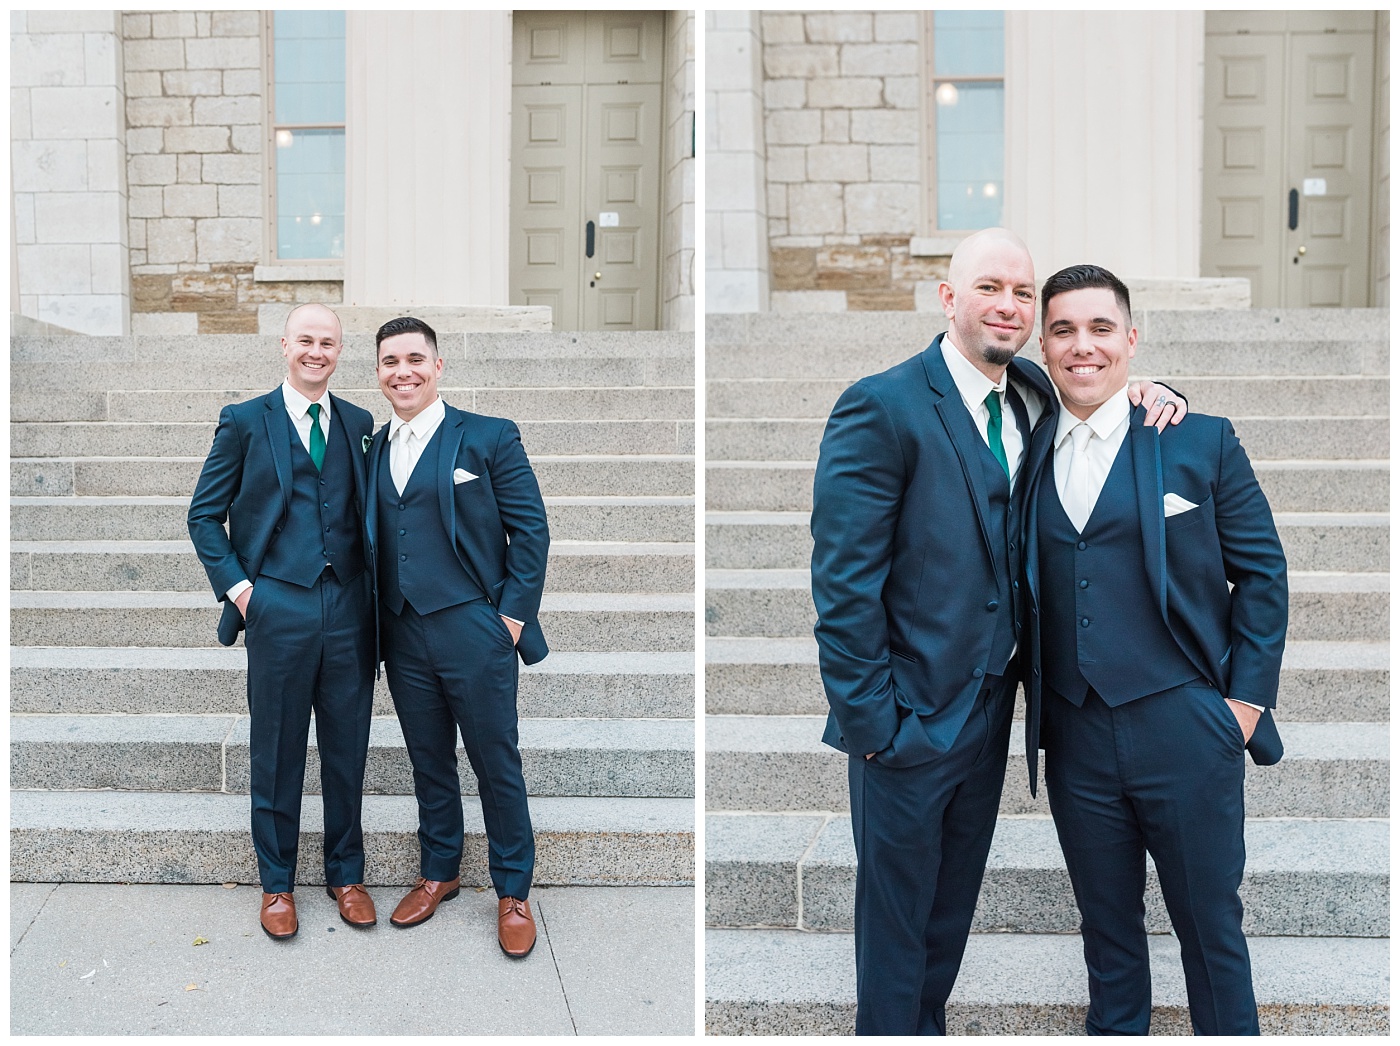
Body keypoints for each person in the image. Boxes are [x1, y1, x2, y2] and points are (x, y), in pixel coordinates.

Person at [809, 228, 1187, 1034]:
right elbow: (842, 587)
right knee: (896, 929)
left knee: (947, 921)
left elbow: (1101, 396)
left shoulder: (1032, 397)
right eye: (990, 288)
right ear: (949, 298)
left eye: (1022, 292)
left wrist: (1154, 390)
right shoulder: (881, 404)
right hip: (906, 719)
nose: (1009, 306)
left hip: (991, 715)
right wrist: (876, 726)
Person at [1024, 264, 1287, 1034]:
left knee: (1212, 934)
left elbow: (1263, 575)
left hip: (1186, 726)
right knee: (1106, 939)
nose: (1083, 346)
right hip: (1074, 736)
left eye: (1101, 328)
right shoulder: (1026, 448)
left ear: (1131, 339)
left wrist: (1240, 706)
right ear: (1044, 344)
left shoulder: (1198, 439)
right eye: (1065, 330)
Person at [188, 303, 378, 939]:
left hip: (349, 606)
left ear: (339, 350)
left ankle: (346, 875)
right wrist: (242, 591)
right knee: (276, 750)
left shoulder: (359, 422)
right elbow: (202, 515)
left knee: (347, 748)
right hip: (277, 604)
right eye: (306, 340)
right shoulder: (244, 421)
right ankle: (277, 884)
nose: (316, 351)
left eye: (327, 342)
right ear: (284, 345)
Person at [366, 316, 550, 958]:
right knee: (428, 760)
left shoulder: (490, 437)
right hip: (402, 632)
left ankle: (513, 889)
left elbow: (531, 533)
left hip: (476, 627)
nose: (403, 371)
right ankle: (440, 870)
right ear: (379, 372)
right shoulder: (370, 444)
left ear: (438, 366)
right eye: (391, 361)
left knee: (496, 762)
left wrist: (510, 618)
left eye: (415, 359)